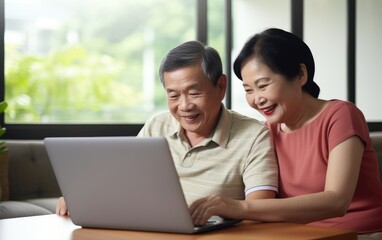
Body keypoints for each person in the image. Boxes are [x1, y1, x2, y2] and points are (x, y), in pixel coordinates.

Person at [189, 28, 382, 239]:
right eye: (248, 90)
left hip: (358, 233)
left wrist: (240, 208)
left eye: (263, 85)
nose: (257, 99)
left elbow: (336, 201)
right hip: (295, 233)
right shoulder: (264, 132)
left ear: (300, 74)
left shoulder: (341, 115)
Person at [56, 40, 279, 215]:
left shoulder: (253, 135)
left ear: (221, 87)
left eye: (194, 93)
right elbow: (123, 181)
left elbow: (261, 211)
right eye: (173, 95)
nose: (184, 106)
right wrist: (83, 196)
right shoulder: (157, 125)